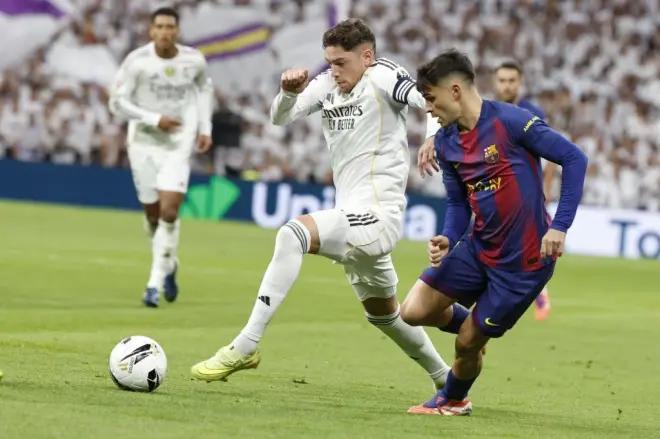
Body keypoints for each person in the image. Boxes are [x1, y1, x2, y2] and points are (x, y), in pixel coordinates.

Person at [191, 18, 451, 390]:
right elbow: (280, 117)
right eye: (329, 62)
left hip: (378, 215)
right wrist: (288, 92)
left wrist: (432, 137)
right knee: (385, 316)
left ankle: (246, 345)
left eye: (341, 62)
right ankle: (447, 379)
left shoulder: (384, 75)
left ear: (367, 56)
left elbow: (428, 99)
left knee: (292, 234)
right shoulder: (327, 83)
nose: (334, 70)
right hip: (352, 214)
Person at [402, 49, 587, 416]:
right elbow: (458, 204)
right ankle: (473, 328)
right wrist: (448, 238)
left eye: (431, 99)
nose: (428, 109)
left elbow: (574, 158)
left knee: (466, 344)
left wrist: (560, 226)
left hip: (524, 263)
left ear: (455, 91)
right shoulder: (446, 143)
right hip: (478, 247)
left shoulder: (512, 121)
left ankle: (454, 399)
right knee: (413, 310)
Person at [109, 7, 213, 307]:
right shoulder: (137, 61)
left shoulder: (194, 60)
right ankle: (169, 263)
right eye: (160, 27)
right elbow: (116, 103)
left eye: (170, 27)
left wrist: (205, 127)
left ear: (177, 31)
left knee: (169, 211)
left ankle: (153, 284)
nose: (165, 32)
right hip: (143, 143)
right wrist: (154, 119)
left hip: (178, 143)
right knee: (153, 216)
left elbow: (204, 89)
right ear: (151, 30)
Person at [493, 60, 554, 320]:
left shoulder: (532, 112)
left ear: (520, 83)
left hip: (526, 194)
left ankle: (539, 292)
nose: (507, 86)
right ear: (495, 83)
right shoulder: (488, 110)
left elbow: (552, 152)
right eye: (502, 81)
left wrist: (546, 189)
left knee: (531, 245)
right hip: (495, 192)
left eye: (511, 81)